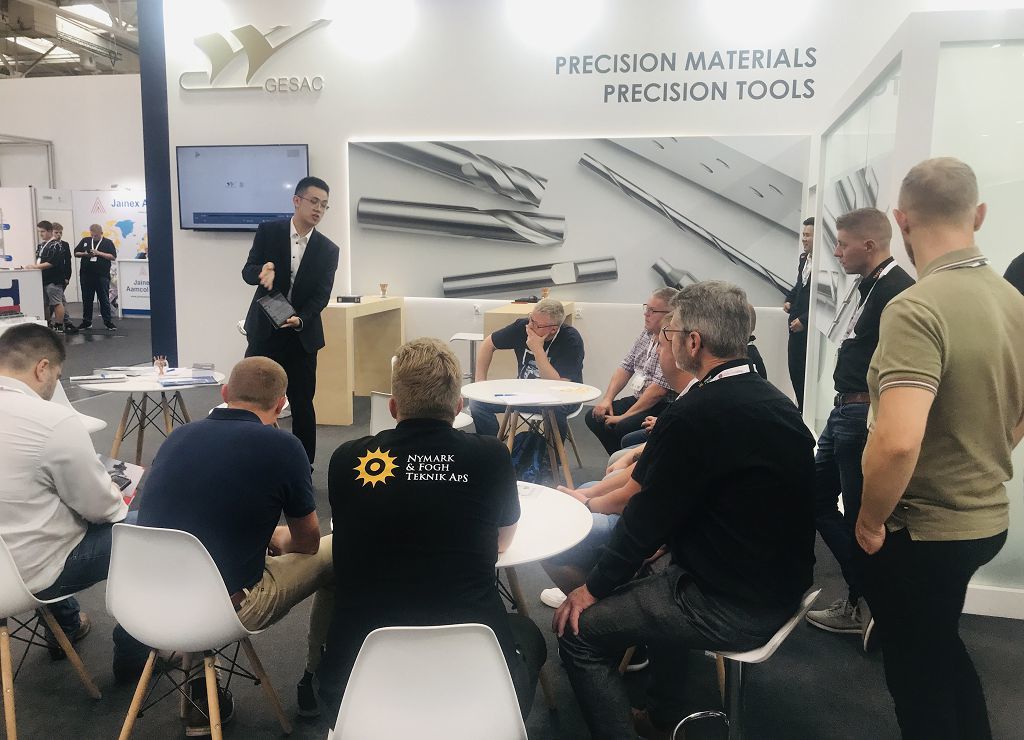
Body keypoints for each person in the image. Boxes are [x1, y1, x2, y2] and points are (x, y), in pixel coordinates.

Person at [554, 281, 816, 740]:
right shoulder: (778, 404)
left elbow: (644, 519)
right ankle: (660, 716)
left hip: (730, 604)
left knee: (578, 633)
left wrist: (591, 590)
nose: (665, 343)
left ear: (693, 342)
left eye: (669, 334)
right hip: (781, 587)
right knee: (654, 574)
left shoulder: (693, 413)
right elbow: (725, 500)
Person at [856, 158, 1024, 740]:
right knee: (939, 646)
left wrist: (870, 520)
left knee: (917, 677)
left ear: (901, 220)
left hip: (922, 530)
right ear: (979, 215)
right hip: (984, 516)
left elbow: (898, 440)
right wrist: (990, 446)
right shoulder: (1014, 301)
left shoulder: (916, 307)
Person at [320, 338, 545, 719]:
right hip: (476, 684)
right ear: (457, 408)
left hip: (355, 686)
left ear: (393, 407)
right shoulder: (491, 456)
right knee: (529, 634)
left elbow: (350, 534)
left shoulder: (347, 459)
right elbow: (503, 542)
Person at [135, 356, 334, 730]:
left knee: (200, 563)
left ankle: (200, 698)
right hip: (227, 608)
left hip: (144, 600)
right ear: (281, 404)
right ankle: (321, 672)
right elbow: (307, 542)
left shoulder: (178, 437)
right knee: (335, 549)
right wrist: (274, 537)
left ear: (225, 393)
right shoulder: (285, 447)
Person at [804, 208, 914, 641]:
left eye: (842, 244)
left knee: (859, 516)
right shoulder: (869, 288)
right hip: (843, 411)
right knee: (815, 498)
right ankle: (868, 595)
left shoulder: (899, 292)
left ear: (868, 245)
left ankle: (866, 604)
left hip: (862, 414)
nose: (836, 252)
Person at [540, 314, 694, 609]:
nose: (656, 354)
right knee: (588, 487)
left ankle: (597, 608)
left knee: (553, 531)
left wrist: (588, 503)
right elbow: (643, 469)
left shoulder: (685, 413)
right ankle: (590, 586)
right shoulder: (691, 401)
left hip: (652, 526)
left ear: (686, 348)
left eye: (662, 346)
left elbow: (632, 495)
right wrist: (589, 494)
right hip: (656, 518)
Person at [0, 324, 132, 660]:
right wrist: (111, 491)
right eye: (57, 376)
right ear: (42, 368)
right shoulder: (52, 420)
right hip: (29, 575)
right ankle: (134, 654)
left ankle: (67, 625)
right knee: (149, 527)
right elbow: (104, 510)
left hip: (10, 557)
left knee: (36, 514)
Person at [242, 176, 340, 464]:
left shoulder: (328, 249)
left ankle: (303, 464)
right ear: (297, 201)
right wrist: (261, 271)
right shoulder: (269, 231)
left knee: (302, 403)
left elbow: (321, 296)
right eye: (314, 201)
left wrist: (300, 319)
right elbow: (247, 271)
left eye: (324, 205)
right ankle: (249, 457)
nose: (318, 209)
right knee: (252, 398)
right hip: (265, 329)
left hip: (301, 335)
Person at [470, 297, 585, 439]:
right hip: (523, 393)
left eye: (537, 324)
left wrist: (537, 349)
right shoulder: (522, 327)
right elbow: (488, 344)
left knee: (555, 408)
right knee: (477, 403)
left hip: (562, 397)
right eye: (531, 319)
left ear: (553, 329)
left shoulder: (571, 339)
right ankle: (492, 445)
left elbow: (558, 385)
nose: (530, 326)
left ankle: (550, 453)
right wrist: (480, 382)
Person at [584, 288, 678, 454]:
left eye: (652, 310)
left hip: (662, 404)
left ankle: (627, 461)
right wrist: (607, 399)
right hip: (640, 397)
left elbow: (658, 391)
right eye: (646, 308)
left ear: (670, 314)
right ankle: (620, 459)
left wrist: (623, 417)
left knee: (622, 426)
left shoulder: (672, 341)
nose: (646, 314)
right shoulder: (646, 334)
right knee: (594, 416)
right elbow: (626, 366)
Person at [784, 216, 814, 410]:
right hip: (794, 324)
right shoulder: (804, 259)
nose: (804, 239)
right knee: (794, 369)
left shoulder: (824, 264)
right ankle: (801, 408)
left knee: (807, 373)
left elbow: (824, 300)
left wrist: (805, 320)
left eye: (808, 235)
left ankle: (805, 409)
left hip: (808, 328)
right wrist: (789, 299)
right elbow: (799, 285)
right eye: (803, 234)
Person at [24, 220, 70, 333]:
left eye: (43, 231)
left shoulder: (56, 245)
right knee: (44, 303)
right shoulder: (42, 245)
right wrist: (35, 267)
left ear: (50, 231)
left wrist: (34, 267)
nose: (41, 234)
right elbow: (40, 260)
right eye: (39, 232)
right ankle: (48, 324)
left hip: (54, 279)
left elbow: (52, 263)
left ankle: (59, 325)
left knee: (56, 302)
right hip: (43, 278)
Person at [74, 224, 118, 331]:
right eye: (92, 235)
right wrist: (85, 254)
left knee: (104, 299)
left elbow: (112, 256)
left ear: (101, 233)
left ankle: (108, 322)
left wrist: (98, 253)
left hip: (102, 276)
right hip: (86, 275)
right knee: (87, 299)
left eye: (96, 236)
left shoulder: (108, 242)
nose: (94, 237)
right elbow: (76, 253)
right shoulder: (85, 240)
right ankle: (86, 322)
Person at [51, 223, 78, 334]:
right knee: (59, 301)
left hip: (62, 277)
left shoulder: (65, 245)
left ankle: (64, 322)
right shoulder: (47, 245)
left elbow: (68, 263)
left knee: (59, 301)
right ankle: (65, 322)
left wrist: (67, 277)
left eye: (60, 233)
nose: (59, 235)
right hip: (50, 277)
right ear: (51, 232)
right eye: (56, 232)